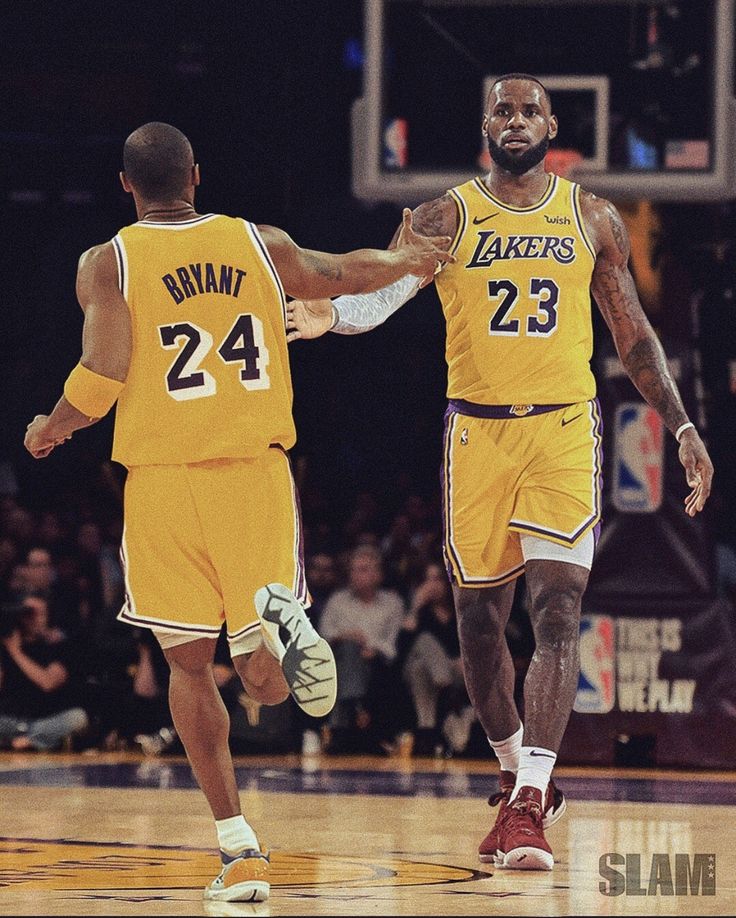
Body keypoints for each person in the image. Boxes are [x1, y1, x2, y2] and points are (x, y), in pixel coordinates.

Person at [284, 74, 715, 870]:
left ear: (552, 123)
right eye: (502, 110)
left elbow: (632, 332)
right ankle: (517, 773)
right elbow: (389, 286)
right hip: (474, 438)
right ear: (485, 125)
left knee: (557, 613)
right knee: (479, 627)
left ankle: (528, 805)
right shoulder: (449, 212)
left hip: (560, 431)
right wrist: (332, 316)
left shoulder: (592, 216)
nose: (515, 120)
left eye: (529, 110)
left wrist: (682, 424)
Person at [22, 121, 453, 903]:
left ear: (126, 186)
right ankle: (275, 633)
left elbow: (104, 370)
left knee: (188, 669)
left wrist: (52, 426)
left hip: (161, 484)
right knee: (265, 681)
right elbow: (339, 276)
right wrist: (410, 260)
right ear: (197, 175)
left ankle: (239, 846)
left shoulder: (107, 262)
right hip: (251, 474)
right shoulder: (257, 241)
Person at [0, 594, 88, 751]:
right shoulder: (5, 647)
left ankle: (19, 741)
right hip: (9, 720)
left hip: (45, 719)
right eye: (27, 614)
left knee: (78, 718)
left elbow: (48, 683)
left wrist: (16, 653)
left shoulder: (57, 648)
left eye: (38, 614)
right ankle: (36, 740)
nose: (33, 619)